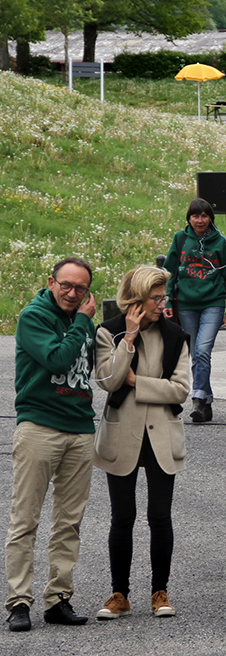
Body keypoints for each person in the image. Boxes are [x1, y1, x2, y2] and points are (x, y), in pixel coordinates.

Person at [92, 266, 191, 620]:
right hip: (123, 434)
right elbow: (109, 380)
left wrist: (137, 381)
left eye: (163, 296)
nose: (162, 303)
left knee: (160, 517)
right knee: (123, 517)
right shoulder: (108, 332)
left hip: (162, 433)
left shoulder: (176, 335)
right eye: (155, 297)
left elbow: (181, 390)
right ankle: (119, 594)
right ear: (136, 299)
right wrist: (129, 340)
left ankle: (159, 592)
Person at [5, 258, 97, 632]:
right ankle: (19, 601)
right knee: (25, 520)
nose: (73, 294)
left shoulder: (81, 320)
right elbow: (57, 357)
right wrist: (82, 323)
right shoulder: (33, 317)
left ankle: (58, 599)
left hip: (80, 428)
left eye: (81, 289)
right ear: (51, 282)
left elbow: (89, 369)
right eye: (67, 285)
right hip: (40, 426)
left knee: (68, 522)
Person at [162, 198, 226, 423]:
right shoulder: (180, 239)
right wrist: (166, 301)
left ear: (210, 218)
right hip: (185, 305)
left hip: (213, 304)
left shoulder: (222, 243)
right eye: (195, 216)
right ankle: (206, 402)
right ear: (189, 218)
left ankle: (197, 398)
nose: (200, 220)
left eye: (204, 216)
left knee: (202, 350)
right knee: (195, 354)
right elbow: (169, 272)